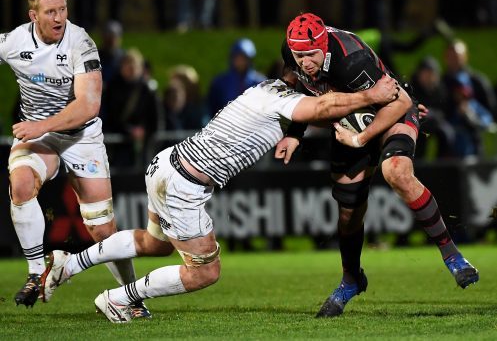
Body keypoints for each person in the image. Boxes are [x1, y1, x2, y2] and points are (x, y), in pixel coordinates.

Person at [41, 75, 400, 323]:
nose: (318, 86)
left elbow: (316, 111)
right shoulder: (282, 100)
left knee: (154, 243)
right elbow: (323, 109)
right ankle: (120, 298)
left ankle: (68, 265)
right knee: (205, 272)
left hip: (167, 164)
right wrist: (372, 98)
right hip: (184, 184)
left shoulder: (262, 90)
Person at [278, 13, 479, 318]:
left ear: (324, 45)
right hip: (350, 120)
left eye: (310, 55)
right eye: (298, 55)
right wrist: (294, 133)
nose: (304, 62)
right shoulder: (293, 51)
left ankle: (453, 256)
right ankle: (351, 279)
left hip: (392, 111)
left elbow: (399, 101)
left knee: (395, 171)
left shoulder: (351, 60)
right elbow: (291, 84)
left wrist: (360, 140)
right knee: (348, 214)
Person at [1, 0, 149, 318]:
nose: (58, 18)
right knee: (21, 184)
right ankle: (37, 272)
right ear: (32, 15)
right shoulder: (13, 42)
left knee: (102, 230)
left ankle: (129, 295)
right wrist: (38, 129)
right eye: (50, 11)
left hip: (81, 137)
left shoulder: (81, 43)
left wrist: (39, 125)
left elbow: (88, 107)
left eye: (62, 9)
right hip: (40, 137)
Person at [206, 38, 266, 118]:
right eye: (237, 57)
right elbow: (212, 108)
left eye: (244, 58)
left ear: (250, 59)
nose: (240, 61)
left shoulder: (261, 82)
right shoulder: (219, 82)